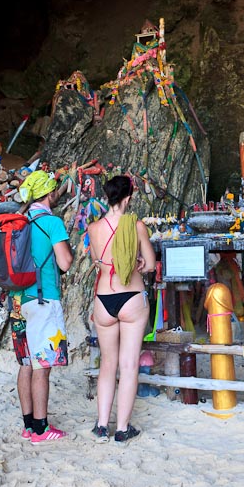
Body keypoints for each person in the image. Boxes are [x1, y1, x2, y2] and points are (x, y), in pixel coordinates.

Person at [87, 175, 156, 443]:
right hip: (131, 298)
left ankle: (102, 426)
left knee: (107, 364)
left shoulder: (93, 229)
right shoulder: (136, 225)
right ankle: (122, 428)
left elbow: (98, 261)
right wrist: (137, 260)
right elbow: (149, 264)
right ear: (128, 198)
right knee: (128, 366)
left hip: (104, 299)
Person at [10, 170, 73, 444]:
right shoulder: (52, 222)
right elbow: (65, 263)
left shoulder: (19, 223)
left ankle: (27, 425)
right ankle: (40, 428)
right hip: (43, 299)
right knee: (42, 365)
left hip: (17, 302)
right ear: (49, 194)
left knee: (25, 362)